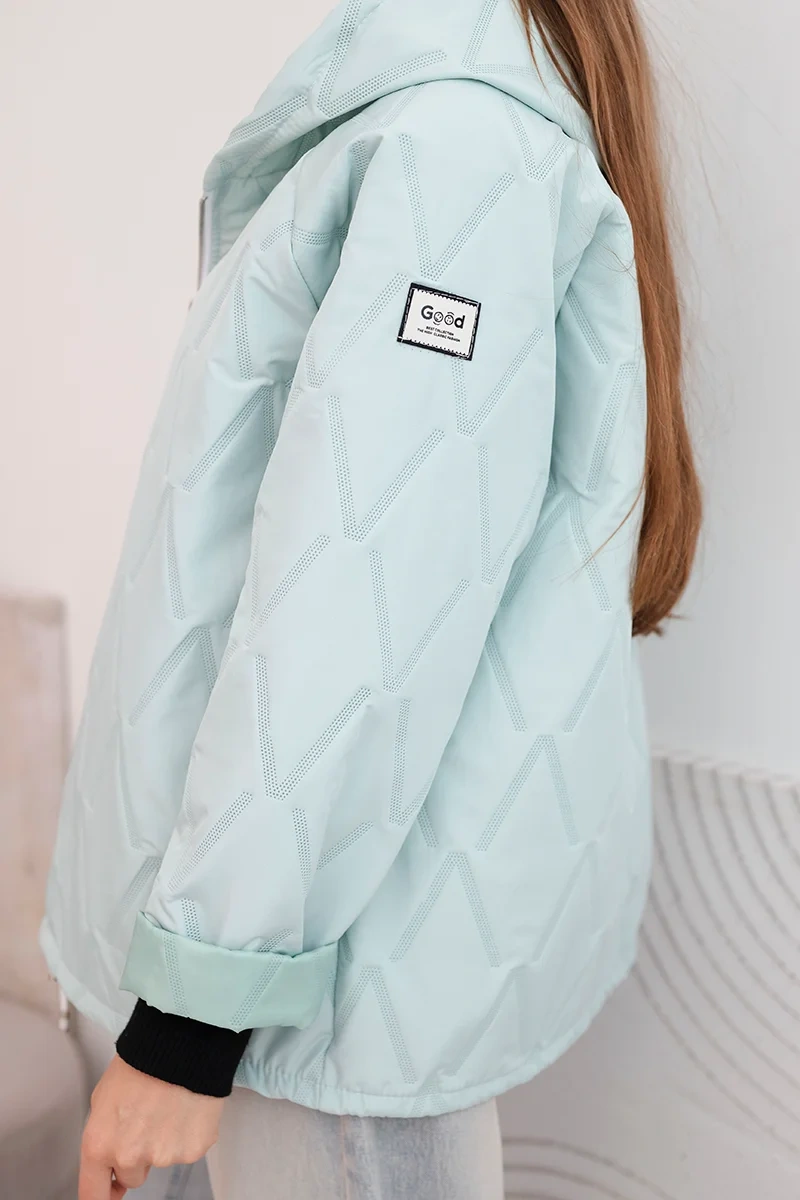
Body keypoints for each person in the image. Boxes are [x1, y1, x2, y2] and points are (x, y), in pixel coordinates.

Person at [41, 0, 702, 1196]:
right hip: (303, 977)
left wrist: (190, 1023)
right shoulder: (441, 126)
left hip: (316, 1010)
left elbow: (353, 608)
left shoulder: (455, 155)